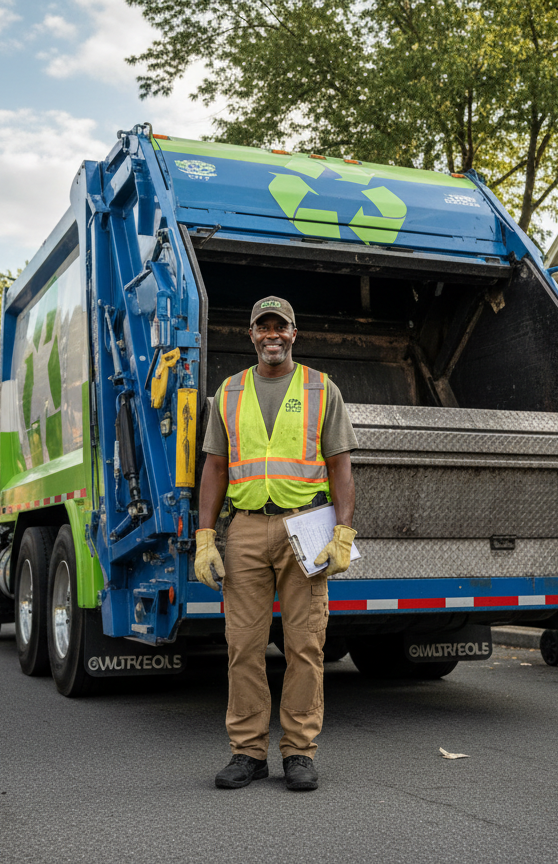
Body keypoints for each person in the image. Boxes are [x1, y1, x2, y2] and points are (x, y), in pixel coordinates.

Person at [195, 296, 358, 792]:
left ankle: (299, 752)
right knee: (242, 645)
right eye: (262, 327)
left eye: (280, 326)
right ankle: (247, 753)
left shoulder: (320, 388)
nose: (271, 335)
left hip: (305, 528)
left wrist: (342, 532)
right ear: (250, 335)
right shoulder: (228, 392)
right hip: (244, 529)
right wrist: (205, 536)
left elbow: (340, 465)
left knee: (305, 645)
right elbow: (215, 468)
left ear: (294, 333)